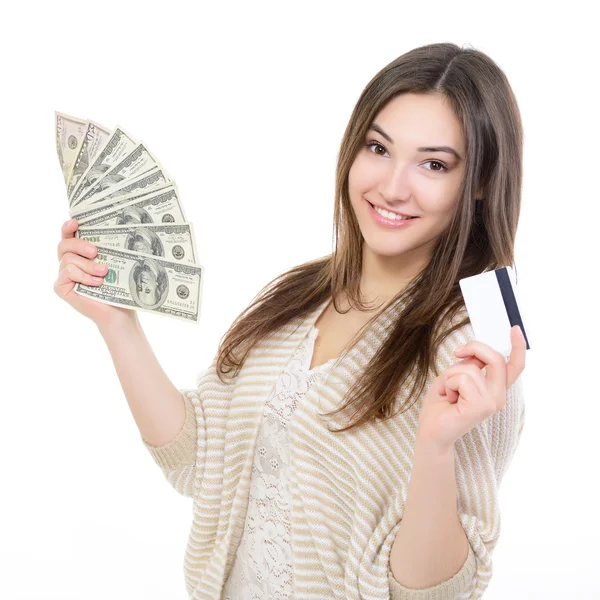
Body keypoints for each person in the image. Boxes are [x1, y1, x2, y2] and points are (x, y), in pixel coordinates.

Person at [54, 41, 527, 600]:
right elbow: (195, 460)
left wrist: (437, 447)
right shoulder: (296, 300)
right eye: (378, 148)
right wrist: (118, 323)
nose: (393, 186)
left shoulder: (471, 355)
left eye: (433, 163)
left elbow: (434, 594)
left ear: (477, 183)